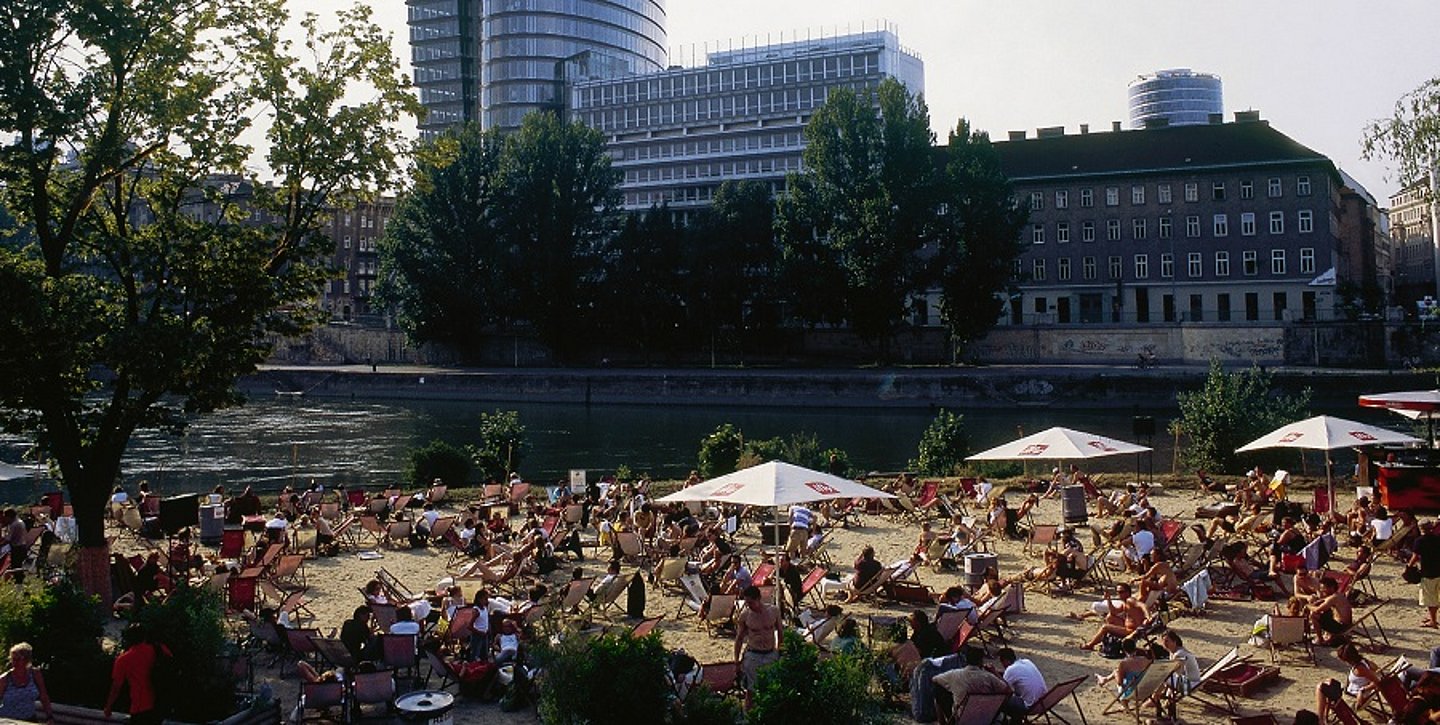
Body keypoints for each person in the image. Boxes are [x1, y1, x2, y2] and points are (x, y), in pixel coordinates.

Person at [932, 646, 1016, 720]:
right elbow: (1009, 691)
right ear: (981, 662)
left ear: (966, 660)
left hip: (963, 717)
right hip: (986, 717)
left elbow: (934, 679)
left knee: (938, 689)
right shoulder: (989, 677)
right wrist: (995, 673)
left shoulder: (955, 674)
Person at [105, 624, 166, 725]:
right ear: (144, 636)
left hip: (140, 707)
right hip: (158, 705)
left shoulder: (123, 660)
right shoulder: (158, 649)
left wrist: (108, 707)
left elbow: (116, 687)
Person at [734, 585, 782, 709]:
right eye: (746, 602)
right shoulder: (745, 616)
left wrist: (780, 652)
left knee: (770, 688)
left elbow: (781, 634)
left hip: (770, 653)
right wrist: (736, 661)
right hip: (753, 654)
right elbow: (739, 639)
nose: (748, 605)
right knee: (751, 690)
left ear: (758, 598)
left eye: (750, 602)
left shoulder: (774, 611)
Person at [1316, 643, 1380, 722]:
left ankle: (1321, 719)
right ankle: (1323, 717)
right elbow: (1377, 670)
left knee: (1321, 688)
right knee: (1329, 681)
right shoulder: (1364, 662)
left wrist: (1362, 690)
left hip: (1350, 699)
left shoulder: (1360, 669)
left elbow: (1378, 682)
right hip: (1347, 693)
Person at [0, 643, 51, 722]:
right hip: (8, 720)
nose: (15, 662)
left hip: (29, 719)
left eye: (18, 659)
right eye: (13, 659)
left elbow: (43, 696)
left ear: (27, 660)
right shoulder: (5, 679)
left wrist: (49, 717)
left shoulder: (35, 674)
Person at [997, 647, 1047, 714]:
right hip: (1043, 701)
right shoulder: (1027, 661)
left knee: (1000, 701)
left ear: (1006, 660)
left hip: (1030, 705)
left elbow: (1004, 687)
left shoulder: (1010, 670)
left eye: (1002, 661)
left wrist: (994, 672)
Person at [1306, 576, 1352, 646]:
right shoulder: (1339, 594)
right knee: (1325, 610)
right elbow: (1324, 600)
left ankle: (1320, 640)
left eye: (1323, 588)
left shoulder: (1333, 598)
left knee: (1314, 615)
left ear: (1331, 587)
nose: (1321, 590)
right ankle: (1326, 635)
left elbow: (1317, 609)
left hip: (1341, 627)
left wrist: (1308, 606)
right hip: (1345, 624)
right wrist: (1316, 602)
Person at [1411, 520, 1440, 628]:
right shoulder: (1438, 538)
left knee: (1430, 598)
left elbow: (1415, 556)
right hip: (1439, 570)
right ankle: (1432, 617)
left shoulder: (1420, 541)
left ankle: (1433, 621)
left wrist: (1409, 567)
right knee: (1437, 596)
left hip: (1428, 572)